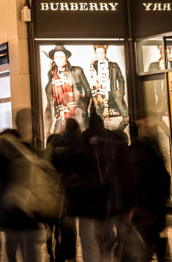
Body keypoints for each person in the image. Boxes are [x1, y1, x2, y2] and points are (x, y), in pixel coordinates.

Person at [66, 112, 131, 262]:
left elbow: (70, 172)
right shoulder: (113, 139)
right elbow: (125, 171)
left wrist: (71, 202)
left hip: (86, 206)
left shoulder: (80, 141)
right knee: (107, 245)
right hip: (109, 203)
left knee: (89, 245)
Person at [0, 108, 45, 262]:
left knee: (14, 252)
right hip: (23, 215)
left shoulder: (2, 148)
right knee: (28, 254)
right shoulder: (32, 151)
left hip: (13, 215)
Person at [127, 118, 170, 262]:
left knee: (143, 242)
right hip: (152, 206)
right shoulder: (152, 152)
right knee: (152, 239)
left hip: (140, 207)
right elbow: (164, 179)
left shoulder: (132, 153)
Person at [44, 118, 80, 262]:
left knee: (52, 224)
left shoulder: (54, 142)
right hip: (70, 190)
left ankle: (51, 253)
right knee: (68, 225)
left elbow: (46, 165)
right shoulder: (78, 144)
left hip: (53, 188)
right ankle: (68, 255)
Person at [44, 46, 91, 135]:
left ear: (66, 57)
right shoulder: (52, 74)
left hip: (77, 112)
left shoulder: (77, 70)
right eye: (56, 57)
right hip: (60, 114)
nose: (59, 60)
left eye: (62, 57)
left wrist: (84, 110)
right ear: (53, 59)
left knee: (79, 138)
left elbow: (88, 90)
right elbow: (49, 94)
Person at [87, 45, 129, 132]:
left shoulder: (113, 65)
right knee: (99, 122)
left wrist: (120, 93)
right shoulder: (92, 66)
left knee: (126, 117)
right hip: (99, 97)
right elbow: (92, 84)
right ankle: (105, 138)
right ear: (95, 53)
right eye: (98, 53)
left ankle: (117, 134)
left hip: (113, 95)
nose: (100, 55)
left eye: (102, 53)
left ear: (105, 53)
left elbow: (121, 79)